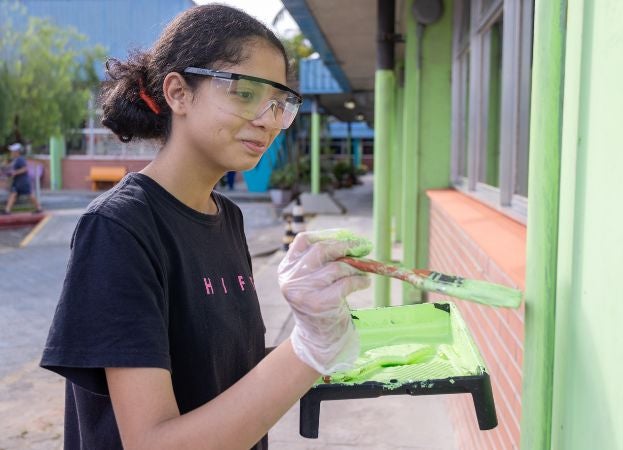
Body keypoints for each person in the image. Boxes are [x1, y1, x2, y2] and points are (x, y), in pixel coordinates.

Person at [40, 4, 370, 450]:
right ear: (178, 92)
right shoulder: (118, 228)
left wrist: (329, 335)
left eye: (280, 103)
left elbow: (221, 373)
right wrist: (308, 348)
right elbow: (153, 442)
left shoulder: (227, 217)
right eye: (245, 92)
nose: (268, 120)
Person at [2, 143, 43, 214]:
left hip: (23, 181)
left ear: (17, 152)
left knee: (29, 194)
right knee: (13, 194)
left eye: (12, 151)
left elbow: (25, 169)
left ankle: (39, 208)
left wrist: (15, 173)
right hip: (17, 181)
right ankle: (7, 210)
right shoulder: (15, 160)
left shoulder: (20, 159)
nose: (11, 153)